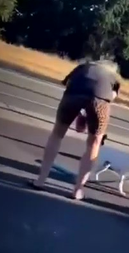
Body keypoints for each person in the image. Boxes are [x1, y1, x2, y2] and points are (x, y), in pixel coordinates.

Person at [30, 60, 121, 200]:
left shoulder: (83, 67)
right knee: (94, 143)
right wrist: (87, 115)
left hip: (73, 94)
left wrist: (81, 113)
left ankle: (40, 180)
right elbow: (112, 97)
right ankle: (78, 190)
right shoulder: (113, 76)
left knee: (57, 134)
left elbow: (69, 84)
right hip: (100, 101)